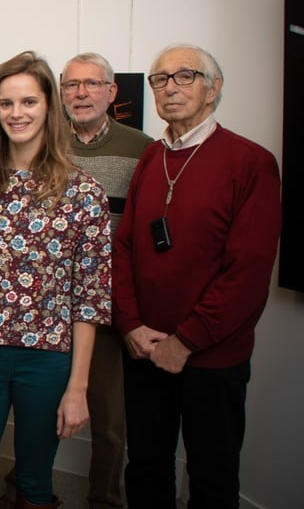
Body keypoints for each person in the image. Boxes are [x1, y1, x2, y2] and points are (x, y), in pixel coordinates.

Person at [0, 51, 111, 508]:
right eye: (6, 103)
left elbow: (89, 299)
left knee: (33, 483)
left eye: (29, 101)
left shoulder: (83, 193)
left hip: (47, 361)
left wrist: (78, 387)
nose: (17, 113)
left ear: (50, 106)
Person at [112, 45, 281, 508]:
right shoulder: (152, 157)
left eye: (184, 76)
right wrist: (129, 324)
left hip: (211, 357)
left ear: (213, 88)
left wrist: (185, 341)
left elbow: (248, 273)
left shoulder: (251, 162)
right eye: (160, 78)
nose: (170, 87)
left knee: (212, 476)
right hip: (144, 348)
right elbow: (124, 247)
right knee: (146, 467)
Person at [0, 52, 153, 507]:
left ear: (112, 91)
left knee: (107, 419)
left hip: (100, 302)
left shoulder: (140, 148)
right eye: (71, 85)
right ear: (58, 93)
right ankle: (22, 492)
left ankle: (104, 499)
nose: (81, 93)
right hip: (40, 303)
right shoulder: (42, 139)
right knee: (33, 411)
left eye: (92, 84)